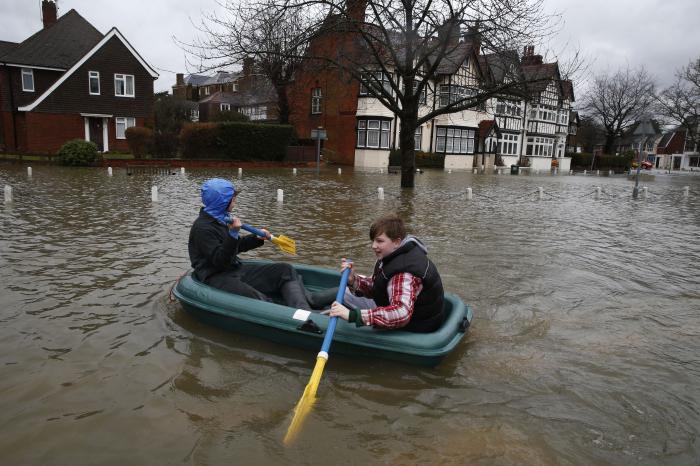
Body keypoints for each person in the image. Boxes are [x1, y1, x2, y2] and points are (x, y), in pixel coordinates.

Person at [188, 178, 312, 310]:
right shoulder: (202, 228)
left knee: (284, 270)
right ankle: (289, 316)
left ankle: (305, 310)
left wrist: (256, 238)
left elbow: (235, 247)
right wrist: (232, 234)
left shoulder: (221, 218)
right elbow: (220, 261)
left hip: (234, 269)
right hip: (215, 276)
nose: (235, 202)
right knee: (257, 299)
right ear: (222, 202)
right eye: (233, 199)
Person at [323, 213, 445, 332]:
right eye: (373, 241)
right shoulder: (394, 255)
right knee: (347, 290)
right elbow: (377, 286)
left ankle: (317, 312)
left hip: (414, 325)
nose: (373, 246)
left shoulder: (403, 272)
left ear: (397, 242)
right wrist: (354, 281)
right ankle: (319, 305)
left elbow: (400, 314)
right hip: (413, 314)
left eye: (379, 241)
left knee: (345, 296)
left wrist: (352, 316)